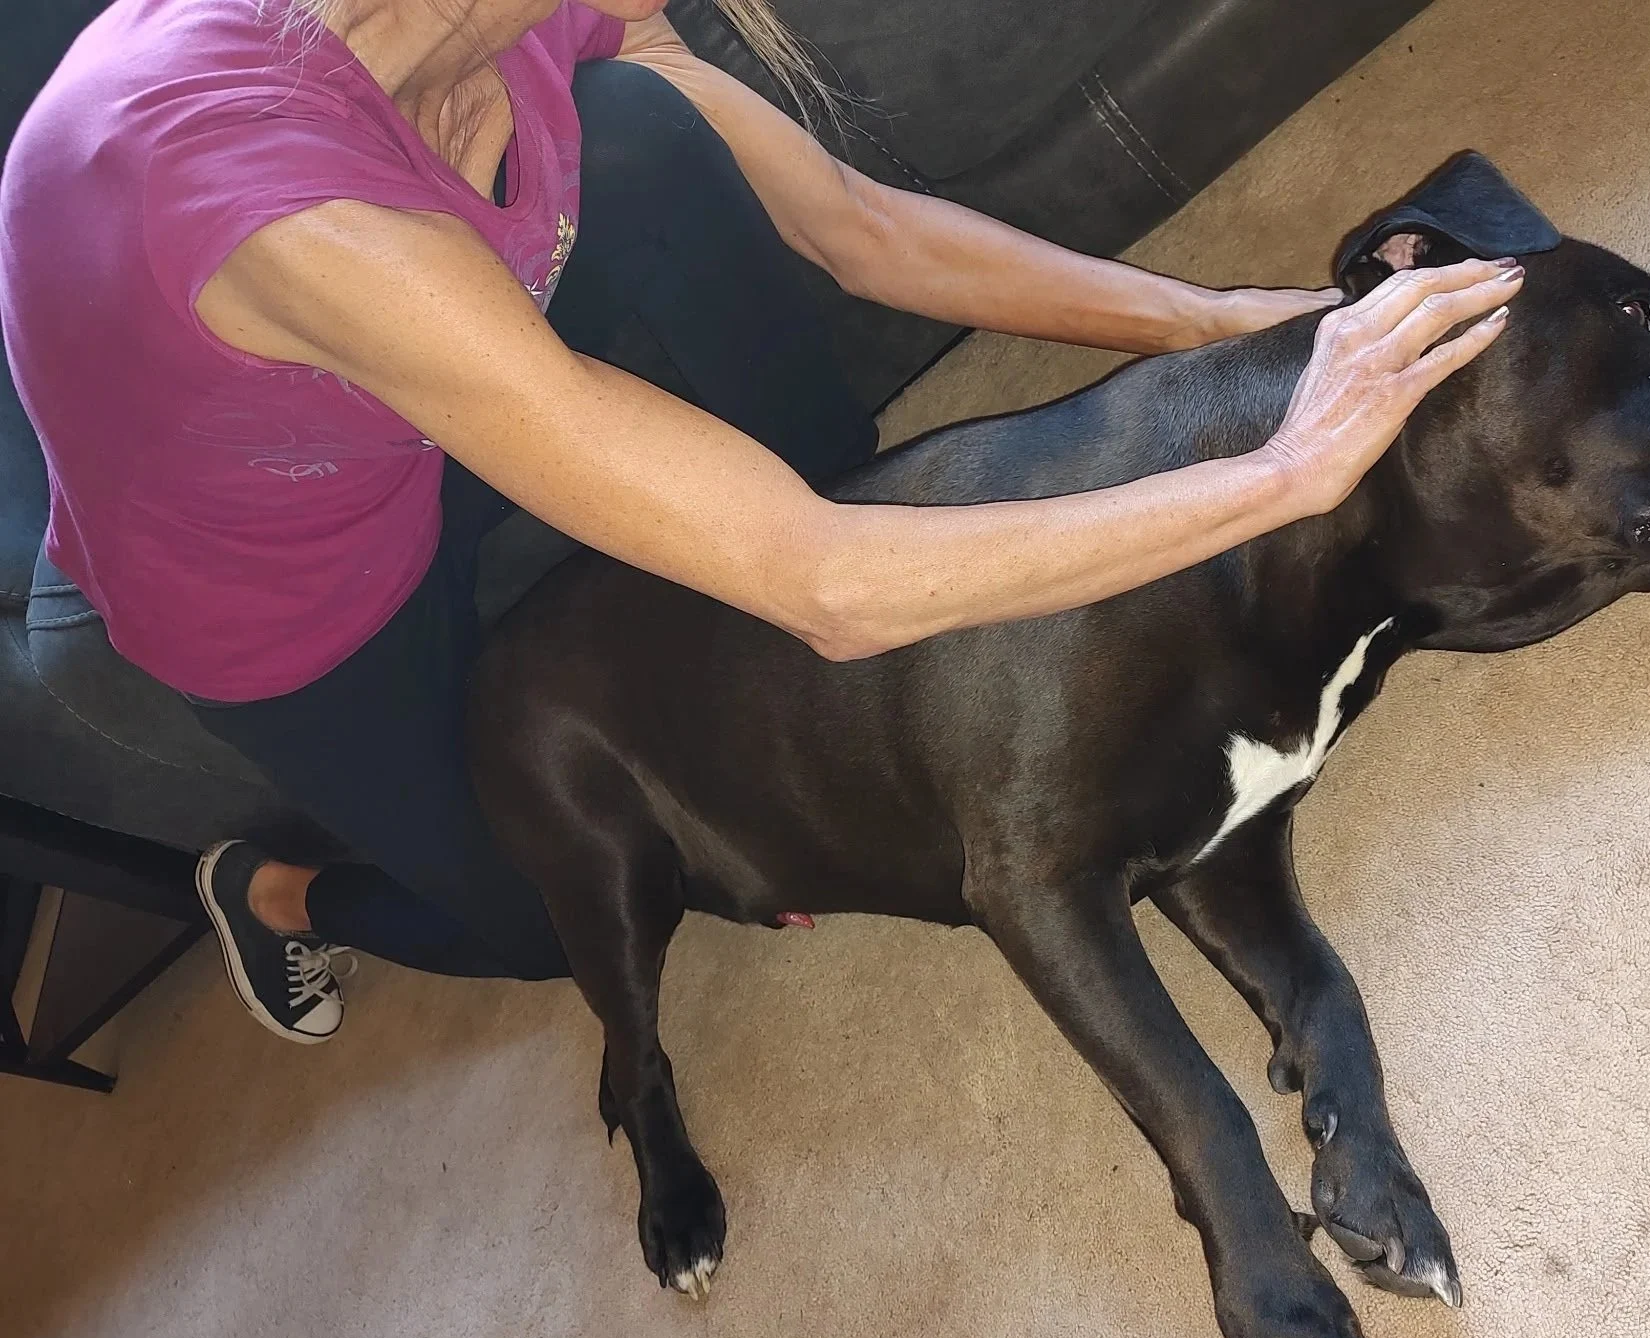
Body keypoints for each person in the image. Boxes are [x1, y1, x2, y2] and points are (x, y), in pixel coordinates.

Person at [0, 0, 1520, 1045]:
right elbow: (825, 584)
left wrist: (1226, 324)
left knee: (647, 135)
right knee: (559, 921)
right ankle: (273, 890)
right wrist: (1283, 471)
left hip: (433, 385)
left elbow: (853, 228)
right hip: (275, 581)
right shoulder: (252, 195)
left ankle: (851, 600)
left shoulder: (506, 16)